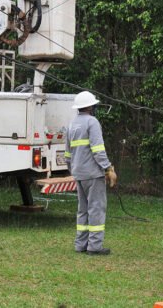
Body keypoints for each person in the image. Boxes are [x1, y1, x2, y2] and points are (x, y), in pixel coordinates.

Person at [65, 90, 117, 255]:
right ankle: (94, 246)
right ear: (90, 107)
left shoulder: (71, 124)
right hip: (93, 174)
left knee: (83, 209)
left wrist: (73, 169)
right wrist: (108, 168)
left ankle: (80, 244)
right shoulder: (92, 122)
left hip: (78, 173)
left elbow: (67, 153)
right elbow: (98, 149)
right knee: (96, 208)